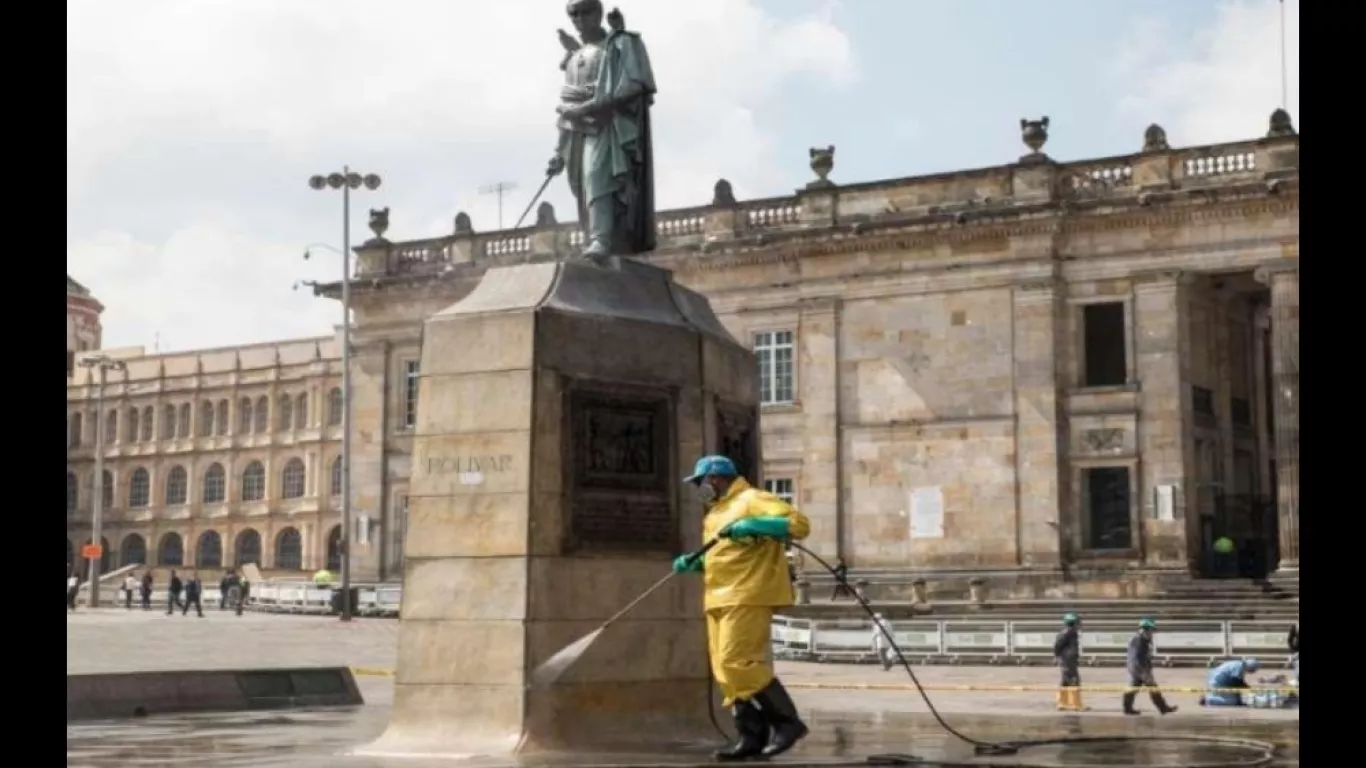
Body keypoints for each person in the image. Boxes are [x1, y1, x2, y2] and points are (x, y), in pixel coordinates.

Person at [673, 455, 812, 761]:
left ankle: (787, 723)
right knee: (724, 669)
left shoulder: (752, 499)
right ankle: (750, 736)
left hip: (748, 593)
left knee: (738, 662)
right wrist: (697, 563)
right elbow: (726, 555)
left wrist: (755, 523)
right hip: (718, 596)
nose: (698, 488)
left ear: (715, 478)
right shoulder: (715, 513)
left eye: (699, 482)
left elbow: (798, 525)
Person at [547, 0, 657, 260]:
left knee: (598, 179)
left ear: (598, 13)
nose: (580, 19)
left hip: (609, 126)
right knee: (584, 185)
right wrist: (559, 152)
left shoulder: (618, 44)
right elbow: (569, 106)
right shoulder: (575, 57)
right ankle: (596, 237)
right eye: (574, 14)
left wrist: (586, 108)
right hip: (578, 130)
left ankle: (601, 240)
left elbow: (633, 86)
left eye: (586, 12)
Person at [1123, 618, 1177, 716]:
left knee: (1133, 688)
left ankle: (1127, 708)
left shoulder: (1141, 638)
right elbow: (1137, 656)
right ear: (1145, 629)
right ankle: (1163, 708)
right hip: (1140, 668)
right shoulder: (1139, 640)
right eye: (1151, 630)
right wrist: (1144, 671)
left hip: (1135, 667)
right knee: (1153, 688)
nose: (1152, 632)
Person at [1053, 613, 1084, 712]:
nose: (1079, 624)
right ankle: (1075, 704)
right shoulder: (1067, 633)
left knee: (1065, 681)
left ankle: (1062, 703)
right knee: (1074, 680)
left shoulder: (1071, 632)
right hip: (1067, 660)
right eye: (1077, 622)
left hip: (1069, 660)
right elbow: (1057, 646)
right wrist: (1058, 657)